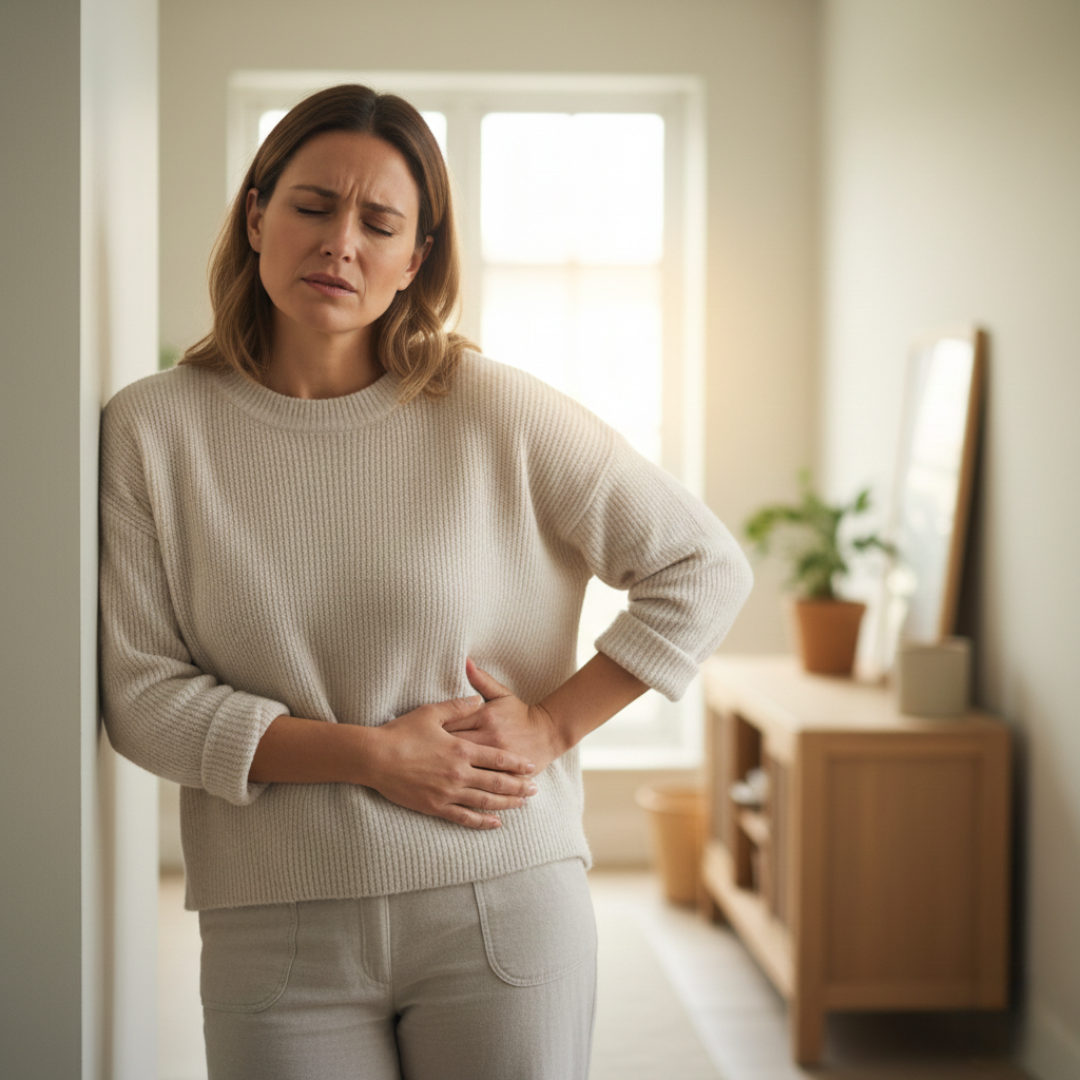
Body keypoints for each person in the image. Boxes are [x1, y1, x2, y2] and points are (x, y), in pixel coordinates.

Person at [99, 84, 752, 1080]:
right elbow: (143, 699)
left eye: (380, 222)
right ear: (256, 214)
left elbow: (700, 564)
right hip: (273, 927)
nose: (340, 243)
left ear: (415, 260)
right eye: (313, 205)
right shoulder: (152, 431)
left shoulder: (491, 408)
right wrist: (371, 756)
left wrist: (554, 726)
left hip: (502, 904)